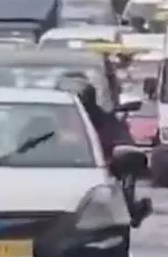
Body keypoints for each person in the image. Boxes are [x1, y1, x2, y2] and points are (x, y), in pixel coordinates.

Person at [63, 78, 152, 228]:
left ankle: (131, 209)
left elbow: (123, 145)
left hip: (97, 169)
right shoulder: (50, 121)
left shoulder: (104, 121)